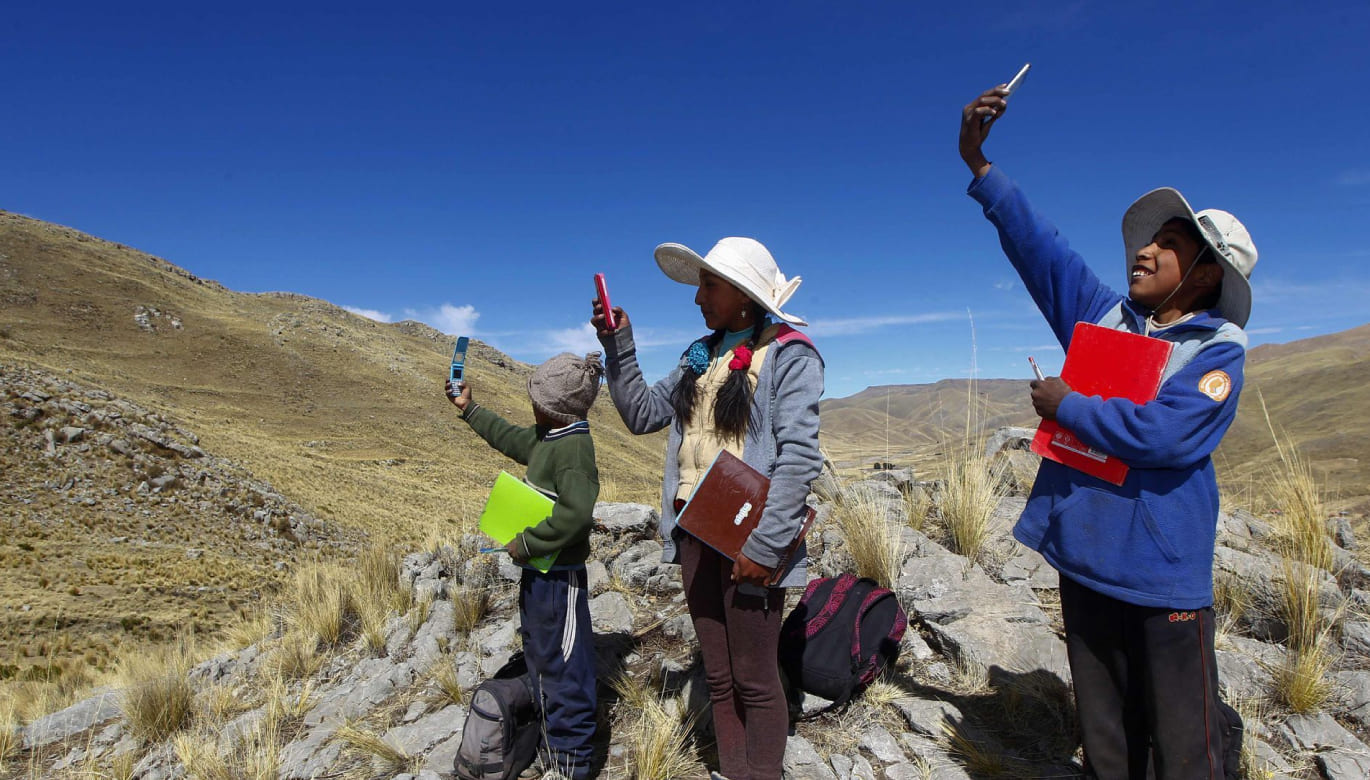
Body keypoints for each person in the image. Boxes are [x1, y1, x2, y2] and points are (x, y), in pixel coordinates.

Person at [959, 85, 1256, 779]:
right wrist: (979, 163)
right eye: (1149, 240)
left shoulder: (1218, 353)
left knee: (1185, 750)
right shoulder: (1105, 320)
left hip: (1161, 582)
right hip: (1087, 564)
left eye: (1169, 245)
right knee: (1106, 740)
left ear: (1206, 275)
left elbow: (1166, 436)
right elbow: (1043, 251)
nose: (1144, 252)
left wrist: (1067, 405)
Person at [592, 237, 823, 780]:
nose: (698, 297)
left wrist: (766, 548)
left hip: (751, 538)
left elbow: (798, 459)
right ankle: (734, 770)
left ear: (744, 295)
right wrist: (618, 346)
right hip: (697, 530)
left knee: (755, 677)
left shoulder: (790, 355)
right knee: (718, 675)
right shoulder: (699, 357)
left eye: (709, 284)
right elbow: (644, 414)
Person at [445, 352, 604, 780]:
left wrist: (528, 542)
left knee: (567, 665)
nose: (531, 404)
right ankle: (549, 738)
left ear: (553, 406)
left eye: (536, 398)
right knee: (540, 652)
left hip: (560, 580)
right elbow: (511, 439)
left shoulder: (573, 449)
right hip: (539, 575)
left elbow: (576, 514)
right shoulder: (551, 435)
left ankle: (572, 763)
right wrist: (470, 410)